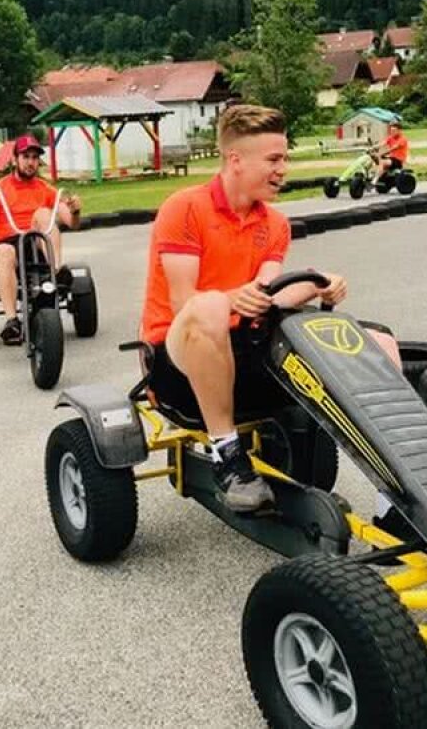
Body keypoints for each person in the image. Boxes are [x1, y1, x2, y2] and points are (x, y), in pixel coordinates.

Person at [140, 104, 350, 513]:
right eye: (274, 159)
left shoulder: (275, 224)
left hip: (244, 352)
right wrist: (232, 298)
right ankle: (227, 457)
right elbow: (185, 303)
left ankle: (395, 498)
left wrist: (318, 283)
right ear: (235, 160)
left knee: (372, 338)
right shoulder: (184, 208)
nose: (283, 169)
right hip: (176, 364)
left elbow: (268, 297)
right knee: (211, 307)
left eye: (285, 158)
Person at [0, 134, 81, 344]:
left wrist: (75, 211)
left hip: (36, 243)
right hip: (6, 245)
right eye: (26, 157)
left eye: (34, 157)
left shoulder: (45, 189)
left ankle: (56, 272)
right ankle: (12, 321)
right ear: (15, 159)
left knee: (43, 214)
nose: (31, 162)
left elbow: (71, 223)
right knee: (6, 252)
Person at [373, 115, 409, 186]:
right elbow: (382, 143)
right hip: (391, 159)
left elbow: (393, 148)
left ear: (399, 130)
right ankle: (376, 176)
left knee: (382, 162)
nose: (392, 132)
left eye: (394, 131)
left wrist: (381, 153)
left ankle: (374, 181)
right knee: (374, 160)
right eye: (391, 131)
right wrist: (373, 147)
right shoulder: (390, 137)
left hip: (398, 161)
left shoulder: (402, 139)